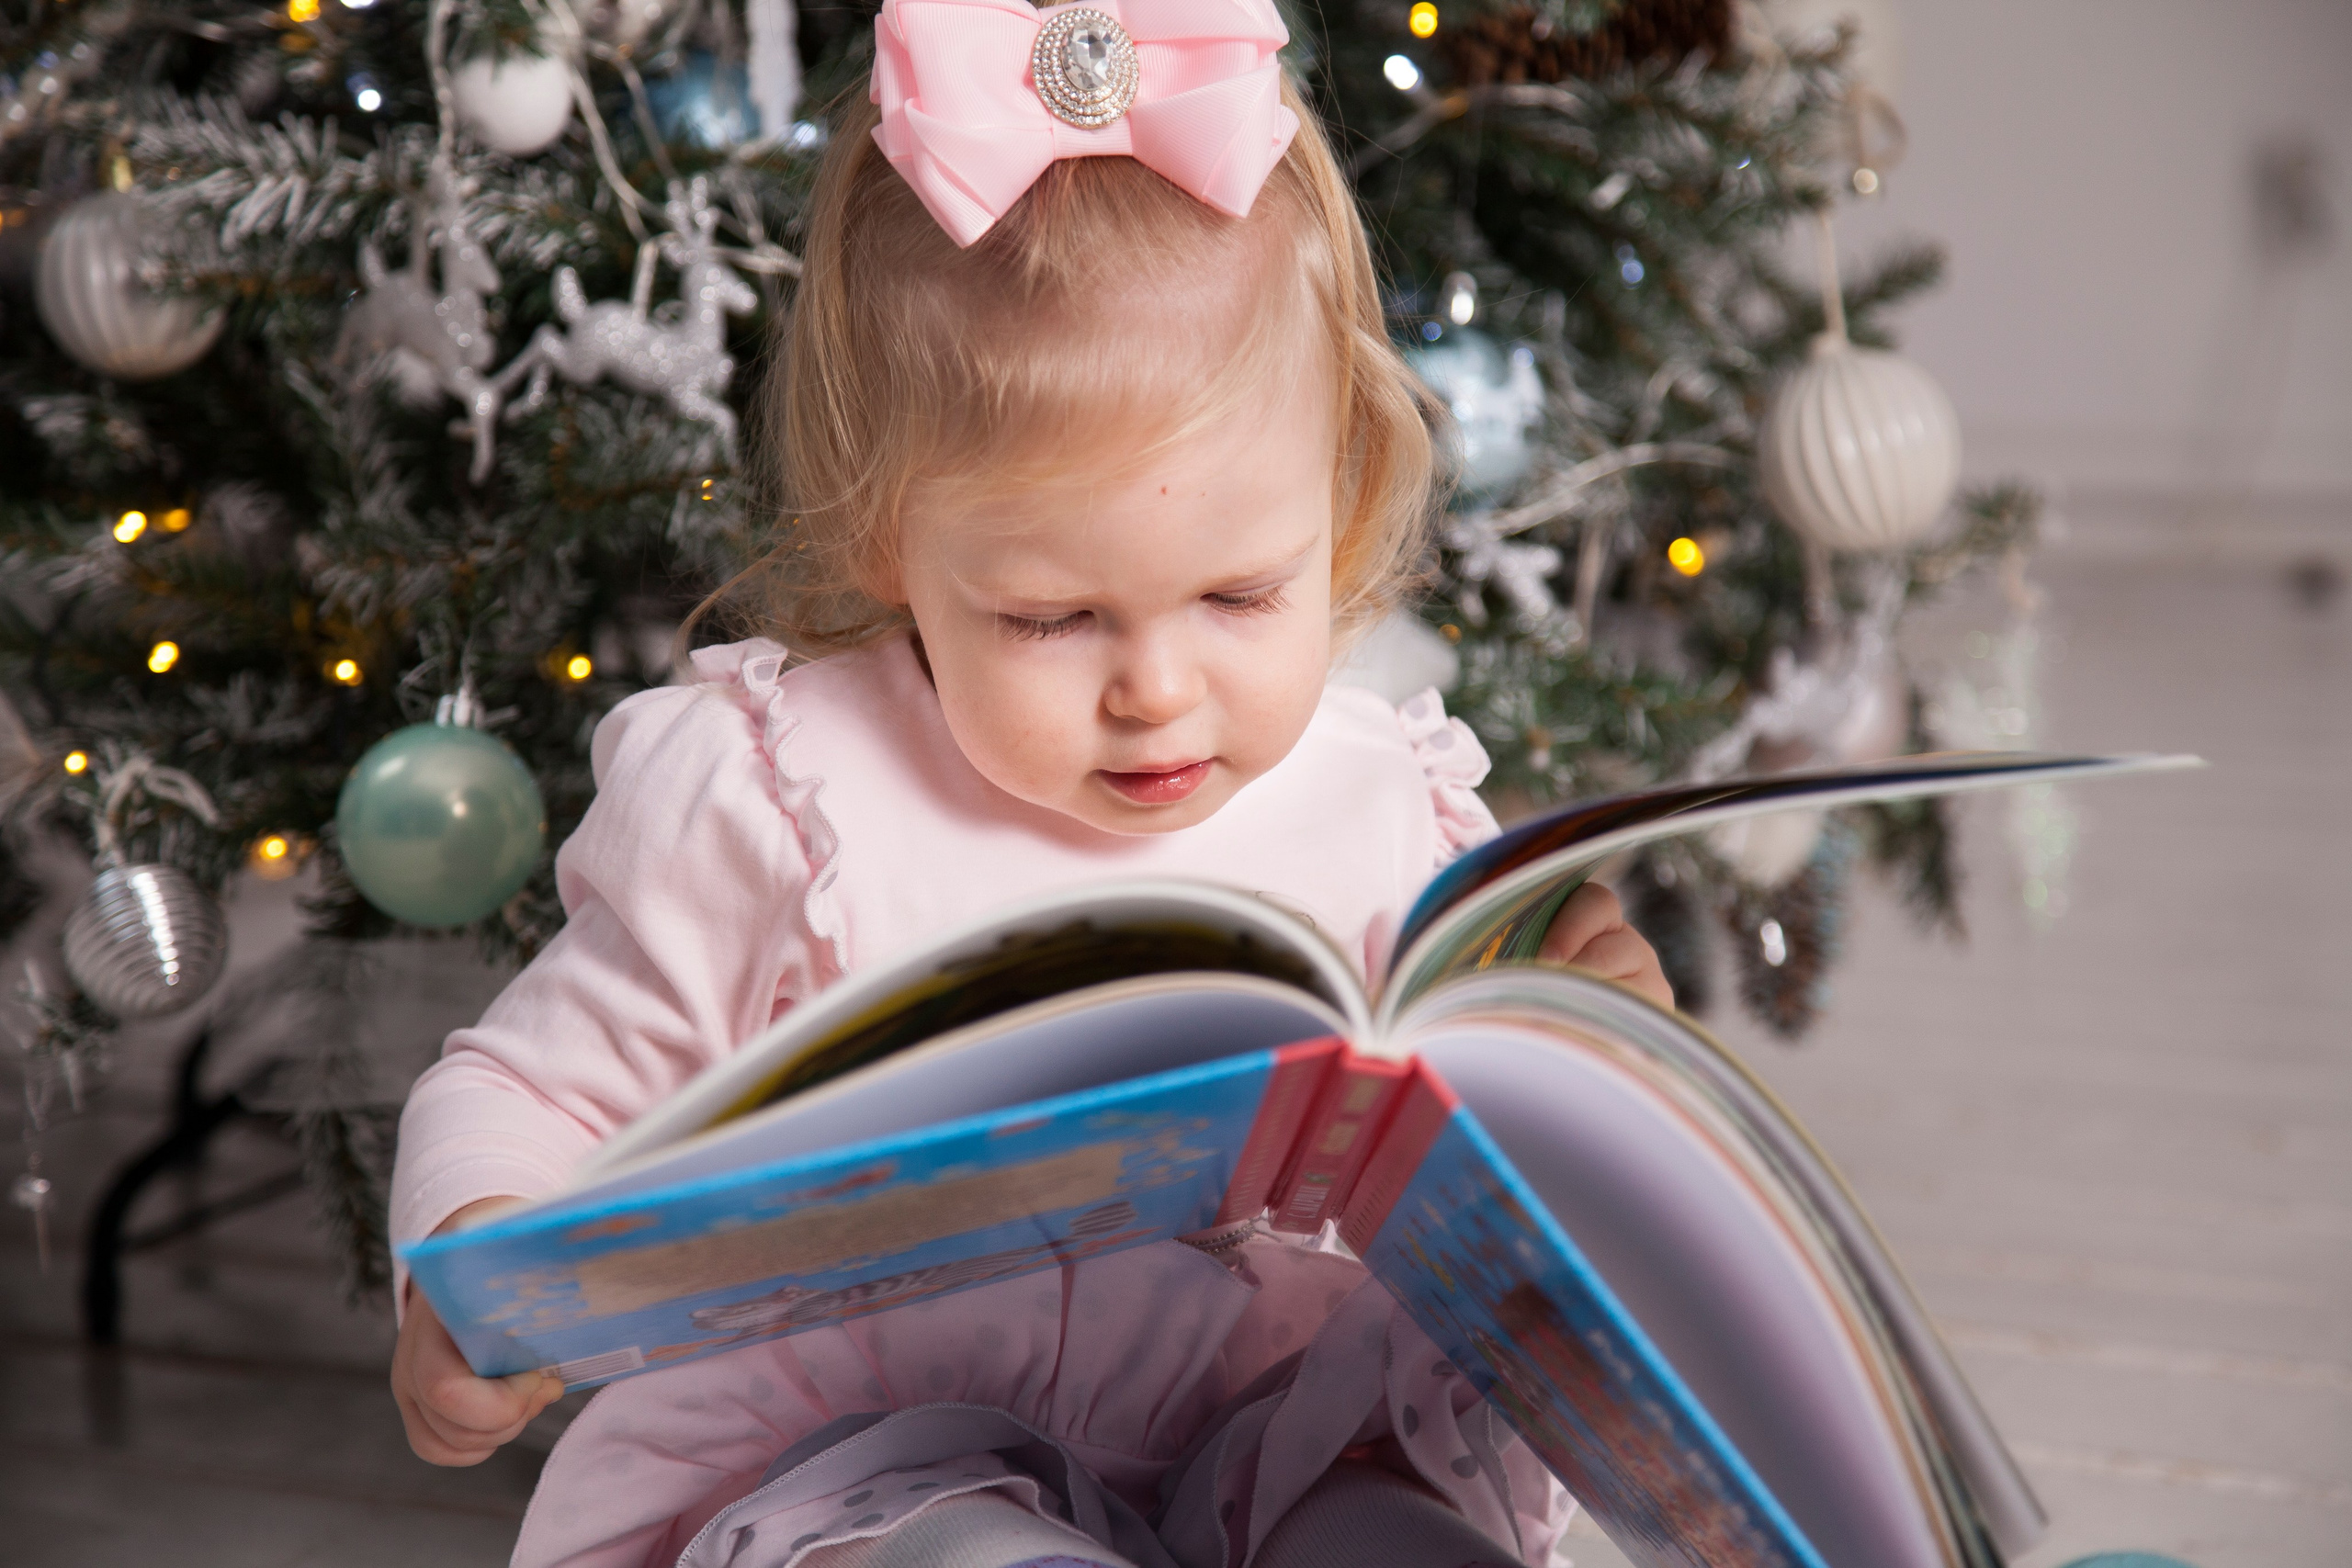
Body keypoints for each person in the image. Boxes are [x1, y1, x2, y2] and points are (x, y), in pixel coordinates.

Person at [388, 2, 1670, 1562]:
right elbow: (525, 1086)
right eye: (1053, 618)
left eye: (1243, 596)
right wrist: (473, 1256)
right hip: (866, 1457)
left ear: (1338, 504)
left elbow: (1487, 1191)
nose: (1157, 688)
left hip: (1279, 1425)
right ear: (887, 541)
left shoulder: (1390, 807)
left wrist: (1589, 1058)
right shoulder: (780, 804)